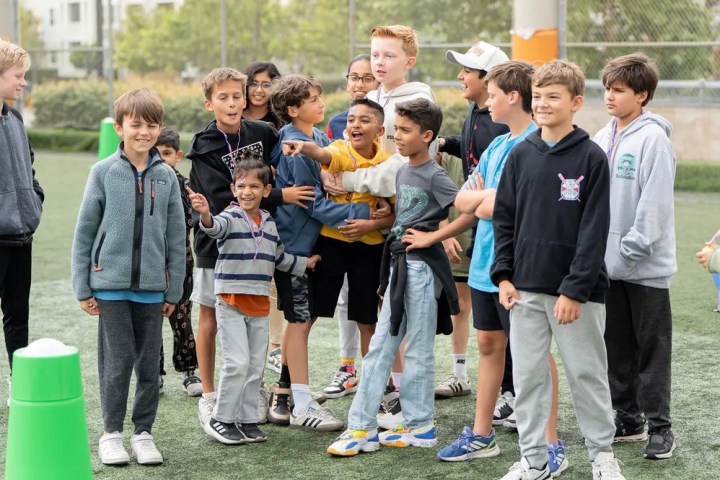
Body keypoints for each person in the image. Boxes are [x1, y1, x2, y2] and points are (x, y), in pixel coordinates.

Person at [491, 60, 625, 480]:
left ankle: (602, 458)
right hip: (524, 291)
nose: (543, 104)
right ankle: (534, 459)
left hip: (577, 296)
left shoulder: (592, 157)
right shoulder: (520, 154)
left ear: (576, 102)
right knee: (528, 379)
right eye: (538, 97)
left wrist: (574, 289)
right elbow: (505, 220)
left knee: (587, 375)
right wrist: (504, 276)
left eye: (553, 96)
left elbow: (594, 230)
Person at [327, 98, 461, 457]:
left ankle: (419, 427)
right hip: (399, 267)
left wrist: (434, 237)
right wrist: (389, 211)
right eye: (396, 129)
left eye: (405, 130)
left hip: (421, 268)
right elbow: (403, 212)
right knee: (382, 346)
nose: (397, 136)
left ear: (427, 135)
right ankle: (363, 426)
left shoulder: (435, 173)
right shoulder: (401, 170)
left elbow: (470, 209)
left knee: (417, 350)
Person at [187, 67, 313, 427]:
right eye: (223, 97)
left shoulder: (263, 131)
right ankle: (210, 395)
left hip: (256, 245)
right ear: (209, 103)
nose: (231, 103)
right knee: (210, 316)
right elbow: (223, 198)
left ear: (246, 98)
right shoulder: (203, 146)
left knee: (255, 318)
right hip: (218, 244)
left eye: (237, 96)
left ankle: (251, 390)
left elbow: (282, 163)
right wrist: (281, 196)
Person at [71, 88, 185, 466]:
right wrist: (82, 285)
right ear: (120, 127)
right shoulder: (102, 172)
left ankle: (143, 433)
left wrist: (174, 287)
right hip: (110, 287)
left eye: (152, 125)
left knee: (149, 365)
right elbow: (85, 230)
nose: (144, 132)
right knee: (117, 360)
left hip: (153, 290)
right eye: (136, 124)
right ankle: (112, 433)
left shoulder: (167, 176)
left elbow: (175, 235)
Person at [188, 156, 320, 444]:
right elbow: (214, 228)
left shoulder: (270, 222)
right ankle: (221, 418)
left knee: (253, 365)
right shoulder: (230, 217)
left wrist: (304, 264)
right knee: (236, 363)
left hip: (259, 305)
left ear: (266, 189)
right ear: (233, 189)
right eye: (242, 185)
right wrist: (205, 214)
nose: (247, 191)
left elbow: (280, 258)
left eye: (255, 186)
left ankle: (247, 420)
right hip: (231, 302)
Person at [268, 74, 372, 431]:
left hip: (311, 246)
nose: (320, 103)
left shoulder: (321, 137)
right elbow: (313, 205)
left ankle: (295, 395)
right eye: (312, 99)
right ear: (293, 109)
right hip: (295, 247)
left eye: (319, 97)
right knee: (298, 322)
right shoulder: (294, 146)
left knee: (303, 320)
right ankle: (300, 403)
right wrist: (364, 215)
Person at [592, 52, 677, 460]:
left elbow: (654, 207)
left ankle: (661, 428)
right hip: (607, 267)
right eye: (607, 88)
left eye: (619, 90)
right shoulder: (599, 136)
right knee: (616, 346)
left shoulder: (653, 139)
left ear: (641, 95)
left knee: (652, 349)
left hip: (645, 268)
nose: (609, 96)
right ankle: (628, 417)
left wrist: (629, 250)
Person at [282, 98, 395, 394]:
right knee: (308, 315)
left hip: (369, 249)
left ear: (380, 129)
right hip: (331, 243)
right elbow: (320, 152)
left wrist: (371, 224)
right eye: (351, 120)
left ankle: (376, 388)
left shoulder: (386, 163)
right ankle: (290, 387)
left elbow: (392, 210)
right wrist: (301, 146)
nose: (355, 125)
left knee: (367, 320)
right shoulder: (340, 151)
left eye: (364, 120)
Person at [433, 41, 510, 402]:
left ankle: (511, 393)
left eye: (467, 70)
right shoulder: (478, 113)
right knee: (489, 322)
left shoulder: (498, 124)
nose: (460, 76)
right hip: (479, 222)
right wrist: (445, 142)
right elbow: (468, 147)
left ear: (489, 79)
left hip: (497, 228)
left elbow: (485, 189)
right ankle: (505, 392)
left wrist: (447, 228)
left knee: (504, 316)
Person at [322, 54, 380, 397]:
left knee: (372, 304)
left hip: (376, 227)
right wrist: (324, 174)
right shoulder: (336, 122)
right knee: (344, 300)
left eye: (367, 77)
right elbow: (328, 164)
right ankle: (347, 368)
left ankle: (383, 375)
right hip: (342, 226)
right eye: (354, 77)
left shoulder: (386, 119)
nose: (359, 84)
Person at [0, 40, 43, 407]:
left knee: (18, 317)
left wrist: (34, 203)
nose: (22, 83)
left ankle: (19, 383)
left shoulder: (14, 118)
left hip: (22, 236)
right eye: (17, 76)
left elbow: (28, 169)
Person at [242, 61, 285, 375]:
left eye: (266, 83)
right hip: (236, 211)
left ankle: (275, 346)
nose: (259, 89)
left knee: (271, 280)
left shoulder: (279, 125)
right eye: (254, 82)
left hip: (270, 207)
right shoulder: (232, 119)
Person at [154, 127, 202, 397]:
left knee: (181, 317)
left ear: (177, 155)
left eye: (167, 154)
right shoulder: (145, 183)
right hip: (151, 264)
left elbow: (189, 221)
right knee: (151, 321)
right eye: (156, 154)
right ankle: (154, 374)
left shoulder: (184, 185)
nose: (161, 159)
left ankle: (189, 371)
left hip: (181, 263)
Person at [243, 62, 284, 129]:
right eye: (254, 84)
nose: (259, 90)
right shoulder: (234, 117)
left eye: (266, 85)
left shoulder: (281, 121)